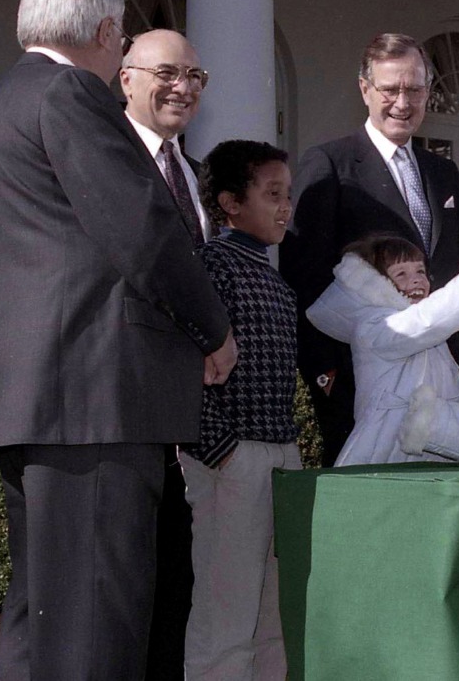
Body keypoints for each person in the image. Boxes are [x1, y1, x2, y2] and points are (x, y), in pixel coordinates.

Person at [0, 0, 235, 680]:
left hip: (42, 402)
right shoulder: (70, 94)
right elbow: (144, 231)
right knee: (95, 631)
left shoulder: (6, 100)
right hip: (95, 400)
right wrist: (213, 330)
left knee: (42, 630)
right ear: (107, 30)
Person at [279, 33, 459, 466]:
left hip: (444, 380)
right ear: (365, 90)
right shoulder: (330, 163)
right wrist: (326, 375)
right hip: (365, 383)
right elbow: (304, 275)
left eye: (415, 89)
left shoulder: (443, 171)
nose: (402, 103)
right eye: (390, 90)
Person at [180, 139, 302, 680]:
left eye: (288, 194)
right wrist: (219, 450)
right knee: (226, 612)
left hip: (281, 453)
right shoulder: (210, 265)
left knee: (276, 612)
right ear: (230, 203)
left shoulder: (275, 280)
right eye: (272, 194)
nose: (285, 206)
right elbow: (186, 362)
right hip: (231, 461)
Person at [120, 27, 211, 681]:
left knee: (176, 586)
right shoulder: (107, 159)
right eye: (167, 73)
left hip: (190, 418)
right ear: (126, 77)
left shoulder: (196, 174)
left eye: (195, 77)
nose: (182, 87)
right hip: (121, 409)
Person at [306, 235, 459, 467]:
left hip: (433, 456)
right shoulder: (375, 326)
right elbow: (428, 321)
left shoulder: (428, 331)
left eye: (420, 272)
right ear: (377, 284)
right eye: (401, 274)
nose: (416, 281)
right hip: (383, 455)